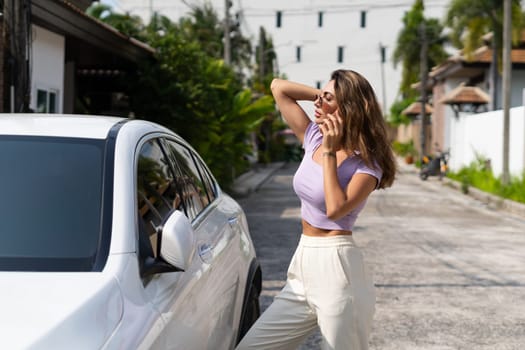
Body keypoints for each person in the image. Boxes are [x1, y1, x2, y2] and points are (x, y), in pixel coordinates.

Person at [236, 69, 396, 350]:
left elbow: (335, 209)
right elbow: (278, 88)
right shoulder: (313, 138)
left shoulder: (367, 166)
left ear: (348, 108)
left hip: (337, 268)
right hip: (303, 264)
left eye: (328, 99)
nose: (318, 104)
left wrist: (331, 153)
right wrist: (321, 94)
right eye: (320, 97)